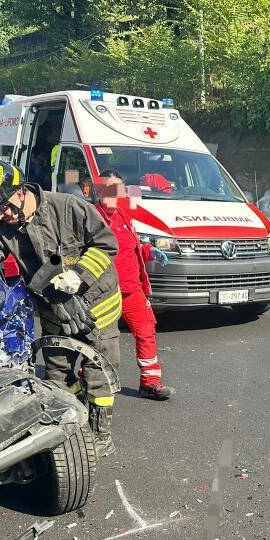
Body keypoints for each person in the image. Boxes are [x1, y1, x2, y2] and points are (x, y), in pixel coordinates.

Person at [0, 160, 123, 456]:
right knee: (57, 374)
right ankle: (74, 424)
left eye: (3, 206)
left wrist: (79, 275)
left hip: (97, 305)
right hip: (53, 310)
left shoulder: (68, 208)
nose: (1, 215)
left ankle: (101, 434)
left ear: (21, 192)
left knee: (98, 374)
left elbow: (106, 244)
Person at [96, 170, 173, 400]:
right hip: (105, 292)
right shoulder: (91, 217)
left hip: (133, 290)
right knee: (100, 339)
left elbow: (132, 249)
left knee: (146, 331)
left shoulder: (124, 215)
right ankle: (92, 379)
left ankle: (150, 383)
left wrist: (150, 252)